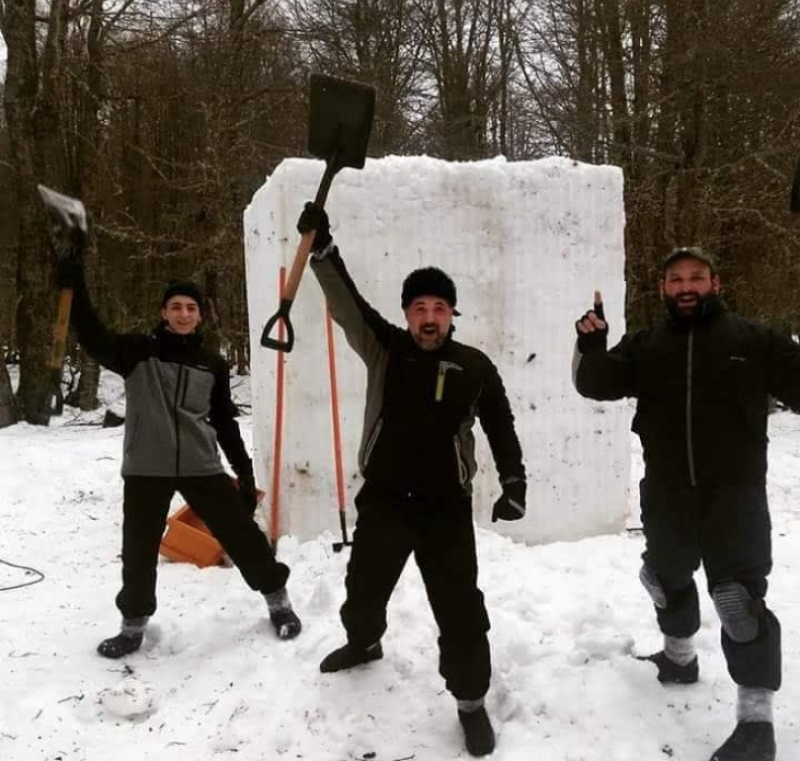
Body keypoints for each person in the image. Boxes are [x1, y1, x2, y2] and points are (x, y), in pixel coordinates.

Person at [295, 203, 527, 758]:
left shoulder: (475, 366)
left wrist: (514, 482)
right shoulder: (387, 348)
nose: (429, 317)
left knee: (460, 610)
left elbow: (500, 423)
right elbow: (349, 308)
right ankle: (364, 640)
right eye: (419, 307)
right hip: (384, 502)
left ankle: (471, 703)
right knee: (364, 589)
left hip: (445, 509)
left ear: (452, 315)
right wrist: (323, 252)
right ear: (406, 313)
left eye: (439, 308)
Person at [573, 246, 800, 761]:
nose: (686, 285)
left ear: (715, 283)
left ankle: (756, 724)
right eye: (676, 279)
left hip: (736, 496)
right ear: (663, 289)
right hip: (668, 493)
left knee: (738, 601)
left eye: (696, 276)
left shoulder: (754, 340)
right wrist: (591, 346)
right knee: (664, 578)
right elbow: (596, 384)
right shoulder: (646, 345)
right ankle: (679, 660)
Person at [54, 248, 302, 659]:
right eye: (176, 307)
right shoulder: (137, 352)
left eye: (191, 308)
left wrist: (245, 476)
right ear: (163, 312)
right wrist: (74, 284)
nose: (184, 314)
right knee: (138, 547)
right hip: (146, 468)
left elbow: (225, 423)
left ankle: (278, 601)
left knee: (242, 535)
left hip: (200, 466)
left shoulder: (213, 365)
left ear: (201, 315)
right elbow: (93, 334)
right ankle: (132, 627)